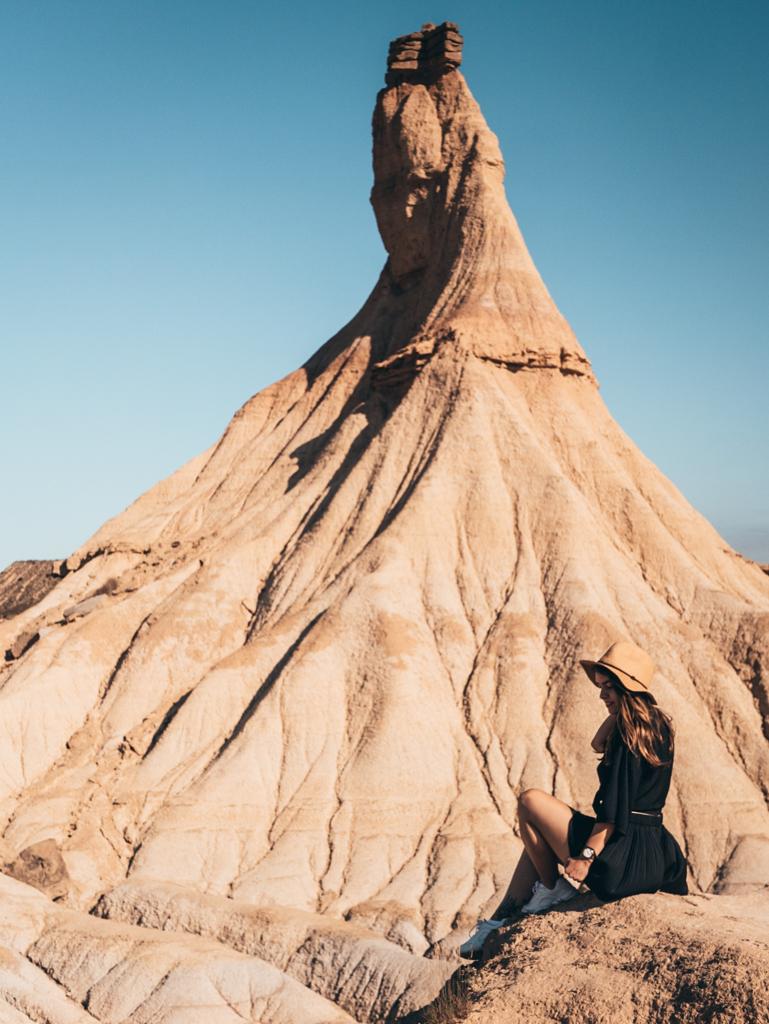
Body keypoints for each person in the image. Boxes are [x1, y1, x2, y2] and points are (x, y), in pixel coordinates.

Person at [459, 640, 689, 958]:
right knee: (538, 840)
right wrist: (620, 710)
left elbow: (612, 814)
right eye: (600, 686)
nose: (601, 695)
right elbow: (597, 743)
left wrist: (585, 857)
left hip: (621, 859)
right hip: (654, 854)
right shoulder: (656, 726)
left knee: (530, 801)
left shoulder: (627, 737)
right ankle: (499, 921)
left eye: (608, 687)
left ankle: (551, 890)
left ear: (627, 687)